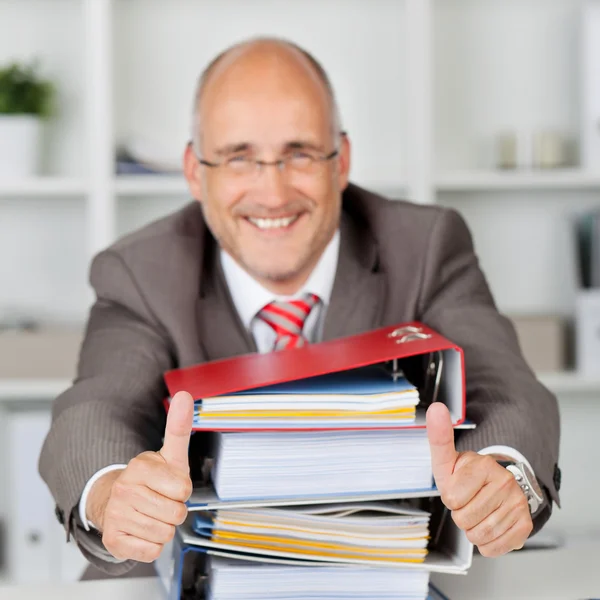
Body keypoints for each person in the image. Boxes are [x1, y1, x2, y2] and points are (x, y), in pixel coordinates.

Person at [39, 37, 561, 580]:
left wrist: (504, 476)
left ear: (343, 161)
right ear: (195, 171)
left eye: (301, 154)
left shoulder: (426, 245)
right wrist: (110, 493)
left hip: (384, 578)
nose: (273, 192)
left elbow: (508, 388)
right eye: (239, 157)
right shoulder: (140, 270)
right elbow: (95, 409)